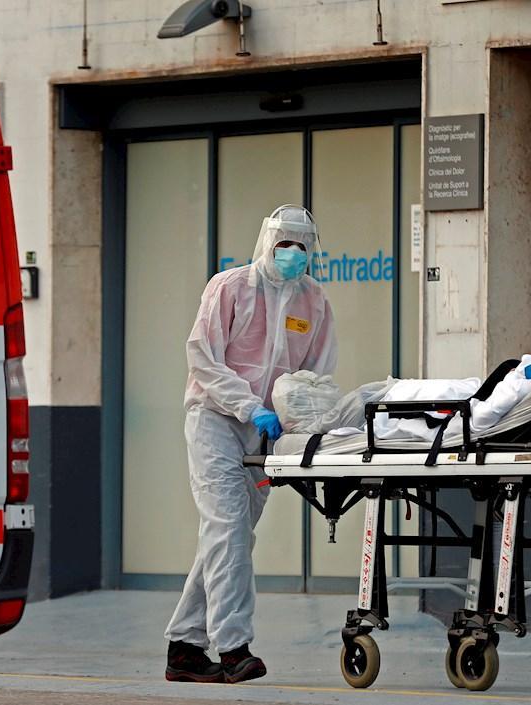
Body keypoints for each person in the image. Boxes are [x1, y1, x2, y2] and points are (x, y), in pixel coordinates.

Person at [164, 204, 338, 684]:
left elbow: (316, 373)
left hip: (266, 432)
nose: (293, 254)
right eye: (285, 244)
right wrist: (247, 404)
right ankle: (233, 647)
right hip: (216, 419)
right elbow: (202, 357)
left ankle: (183, 645)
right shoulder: (230, 287)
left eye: (302, 246)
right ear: (267, 242)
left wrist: (299, 418)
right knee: (228, 528)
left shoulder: (314, 302)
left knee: (232, 535)